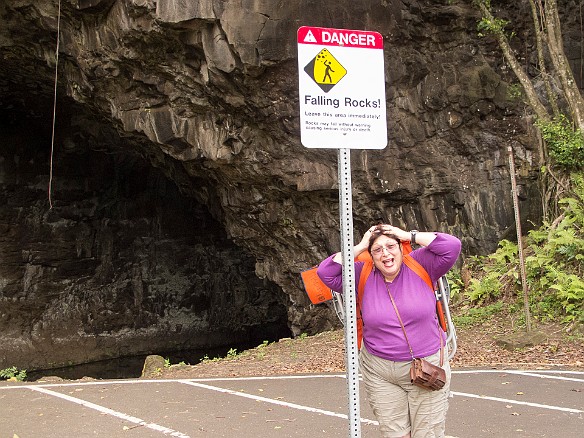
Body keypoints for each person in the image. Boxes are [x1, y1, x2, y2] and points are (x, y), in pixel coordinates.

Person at [317, 224, 461, 438]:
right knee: (395, 434)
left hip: (427, 364)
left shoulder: (422, 263)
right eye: (377, 249)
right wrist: (360, 246)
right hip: (380, 370)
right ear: (371, 256)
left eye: (391, 246)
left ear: (401, 248)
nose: (385, 253)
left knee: (427, 434)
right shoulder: (361, 274)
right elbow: (326, 272)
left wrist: (407, 235)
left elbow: (451, 245)